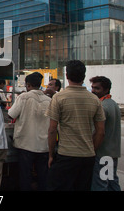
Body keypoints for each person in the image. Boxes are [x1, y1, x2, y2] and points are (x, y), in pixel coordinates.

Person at [45, 60, 105, 191]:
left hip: (66, 155)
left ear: (67, 76)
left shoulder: (59, 98)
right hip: (87, 157)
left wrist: (50, 155)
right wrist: (91, 150)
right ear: (83, 76)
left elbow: (52, 130)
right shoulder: (95, 100)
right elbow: (101, 131)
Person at [8, 72, 51, 191]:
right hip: (44, 146)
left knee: (25, 176)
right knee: (43, 176)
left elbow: (11, 115)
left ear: (28, 85)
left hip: (25, 145)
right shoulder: (49, 100)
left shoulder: (24, 97)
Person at [90, 76, 121, 191]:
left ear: (106, 89)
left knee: (100, 185)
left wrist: (93, 149)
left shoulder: (102, 106)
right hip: (112, 153)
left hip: (102, 153)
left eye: (97, 88)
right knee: (112, 183)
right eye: (92, 87)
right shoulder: (112, 103)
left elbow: (98, 132)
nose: (93, 91)